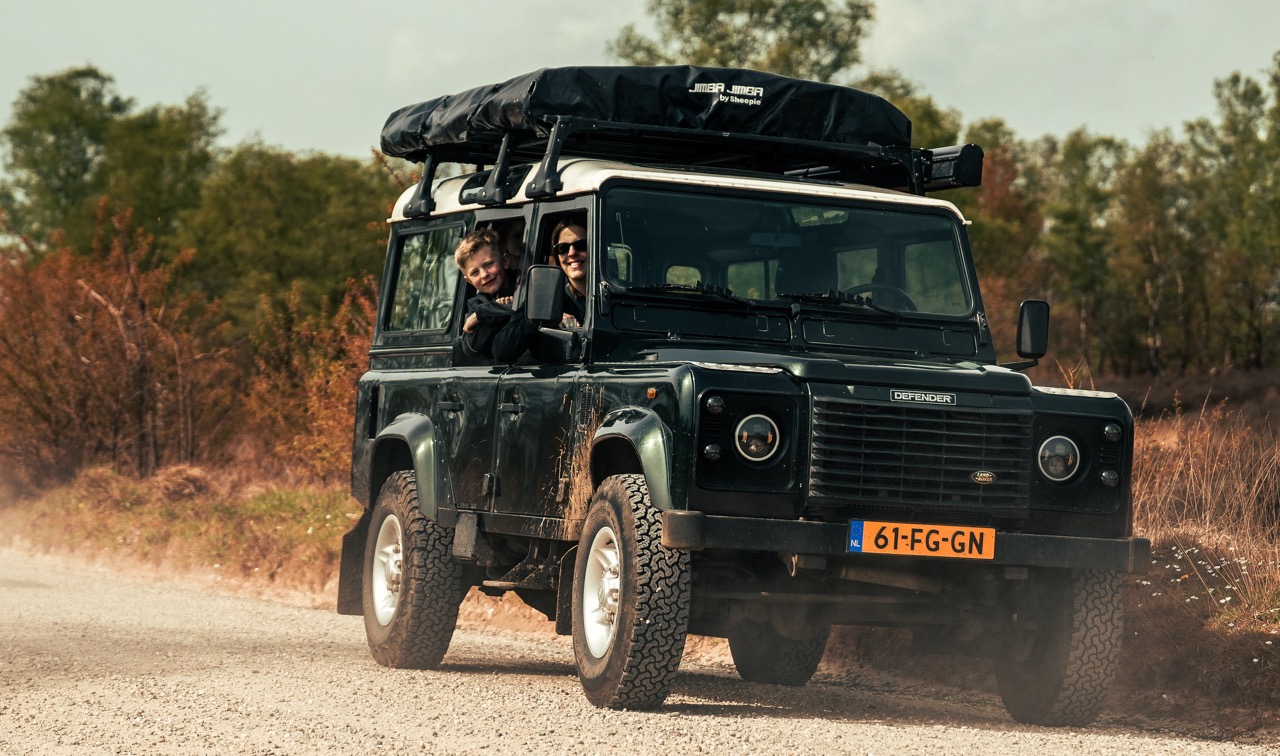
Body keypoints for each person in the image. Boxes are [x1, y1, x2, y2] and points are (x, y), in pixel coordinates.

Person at [455, 228, 517, 359]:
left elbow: (526, 309)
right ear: (469, 281)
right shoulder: (476, 304)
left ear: (505, 261)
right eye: (475, 273)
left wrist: (480, 316)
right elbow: (469, 347)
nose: (484, 275)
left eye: (488, 264)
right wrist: (489, 311)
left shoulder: (523, 287)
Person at [550, 218, 588, 327]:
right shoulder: (551, 300)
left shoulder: (618, 295)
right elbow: (502, 342)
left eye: (581, 245)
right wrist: (548, 320)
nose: (572, 253)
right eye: (563, 248)